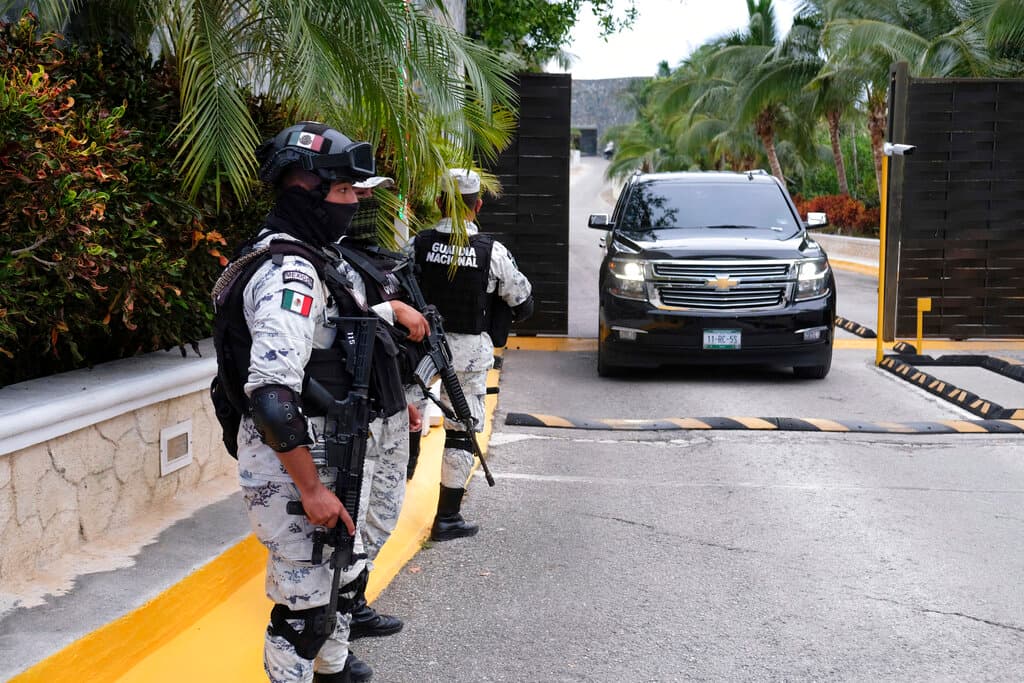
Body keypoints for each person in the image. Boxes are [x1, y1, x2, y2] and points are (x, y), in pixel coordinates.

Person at [212, 122, 428, 683]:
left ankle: (332, 671)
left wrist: (388, 316)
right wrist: (310, 488)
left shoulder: (314, 257)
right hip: (296, 463)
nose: (356, 203)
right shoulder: (292, 271)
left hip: (328, 444)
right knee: (303, 613)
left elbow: (329, 334)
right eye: (345, 193)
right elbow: (271, 393)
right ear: (304, 193)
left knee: (334, 580)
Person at [409, 168, 534, 541]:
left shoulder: (417, 243)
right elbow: (522, 300)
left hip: (419, 348)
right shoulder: (492, 252)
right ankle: (447, 518)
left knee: (403, 419)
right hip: (467, 353)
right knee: (461, 431)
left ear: (438, 202)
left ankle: (396, 483)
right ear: (476, 205)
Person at [337, 176, 428, 640]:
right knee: (352, 519)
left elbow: (386, 349)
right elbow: (336, 330)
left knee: (382, 514)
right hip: (355, 419)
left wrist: (404, 400)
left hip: (389, 405)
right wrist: (391, 309)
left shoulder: (378, 260)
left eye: (371, 195)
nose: (365, 204)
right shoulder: (326, 258)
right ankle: (338, 621)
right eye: (357, 193)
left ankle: (353, 603)